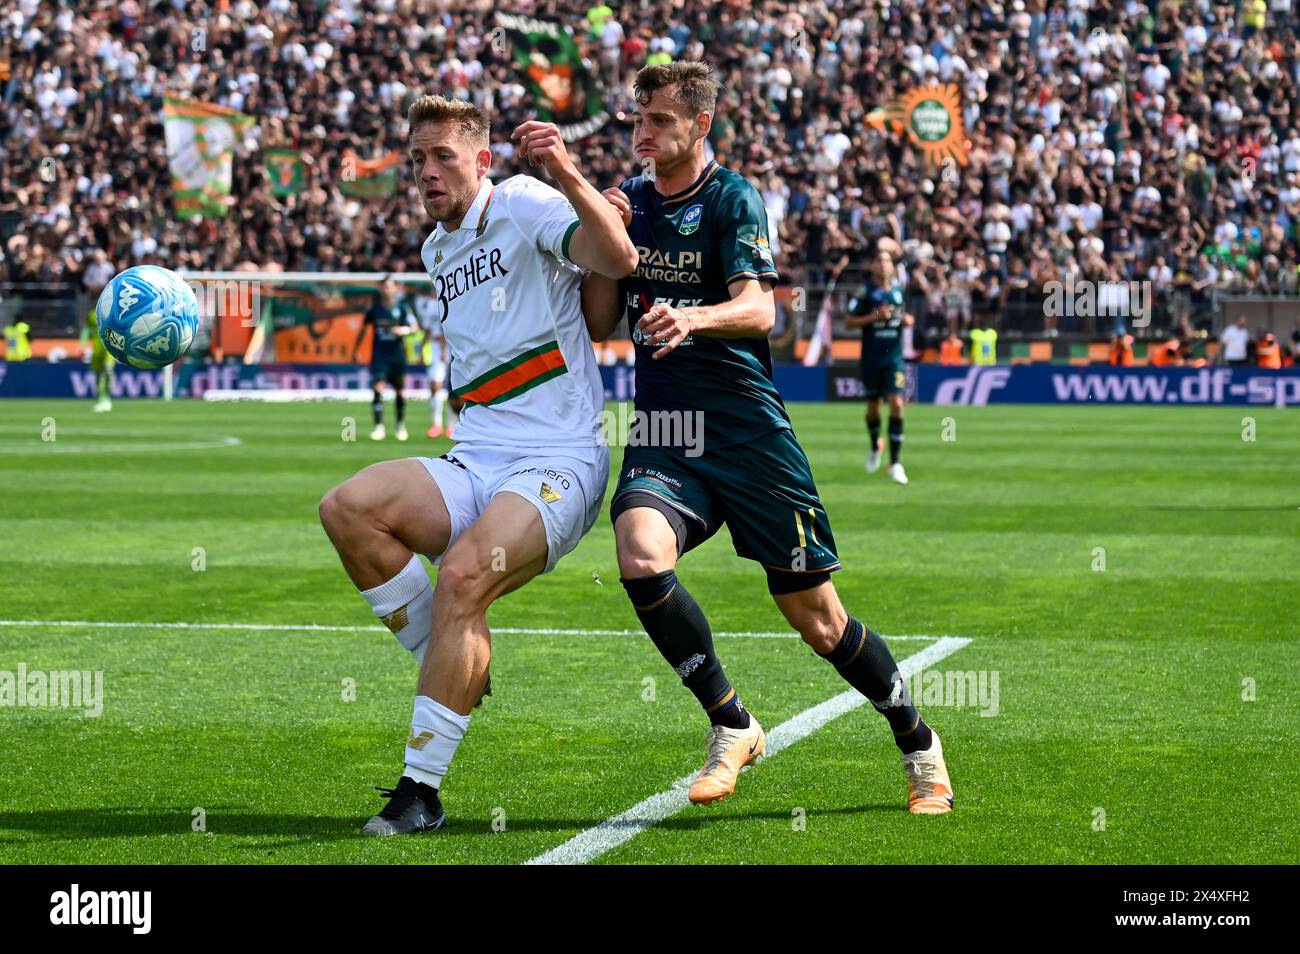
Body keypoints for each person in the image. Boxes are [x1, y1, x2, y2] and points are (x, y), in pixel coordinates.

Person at [582, 62, 953, 815]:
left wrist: (693, 316)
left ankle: (918, 741)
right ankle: (732, 723)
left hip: (750, 435)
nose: (641, 134)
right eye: (636, 120)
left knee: (818, 620)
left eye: (657, 120)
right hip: (666, 428)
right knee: (639, 552)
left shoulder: (732, 198)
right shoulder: (632, 204)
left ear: (699, 125)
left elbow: (760, 311)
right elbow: (597, 323)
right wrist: (604, 235)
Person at [318, 95, 637, 836]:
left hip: (558, 458)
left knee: (464, 574)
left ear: (483, 161)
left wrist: (566, 172)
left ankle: (419, 792)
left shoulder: (524, 202)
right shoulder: (436, 249)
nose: (427, 173)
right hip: (477, 454)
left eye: (443, 158)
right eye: (417, 160)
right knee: (347, 508)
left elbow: (617, 261)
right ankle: (454, 656)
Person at [845, 246, 911, 484]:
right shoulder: (865, 292)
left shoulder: (899, 291)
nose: (883, 264)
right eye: (879, 261)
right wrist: (874, 317)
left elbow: (902, 315)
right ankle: (875, 446)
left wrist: (906, 319)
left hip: (894, 358)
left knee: (897, 404)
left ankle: (895, 463)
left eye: (887, 261)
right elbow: (849, 321)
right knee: (873, 408)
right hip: (871, 358)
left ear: (892, 267)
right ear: (873, 266)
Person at [354, 276, 419, 441]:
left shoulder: (402, 308)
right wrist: (356, 350)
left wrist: (402, 330)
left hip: (397, 356)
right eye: (385, 286)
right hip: (379, 356)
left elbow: (414, 328)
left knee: (400, 392)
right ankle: (378, 427)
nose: (387, 289)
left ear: (395, 288)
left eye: (390, 286)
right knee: (378, 388)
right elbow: (363, 328)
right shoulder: (374, 309)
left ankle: (400, 425)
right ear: (381, 288)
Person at [81, 301, 115, 412]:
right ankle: (100, 398)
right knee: (98, 375)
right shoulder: (92, 315)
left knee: (108, 369)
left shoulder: (112, 313)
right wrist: (82, 344)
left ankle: (107, 397)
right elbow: (86, 330)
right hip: (97, 348)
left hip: (109, 347)